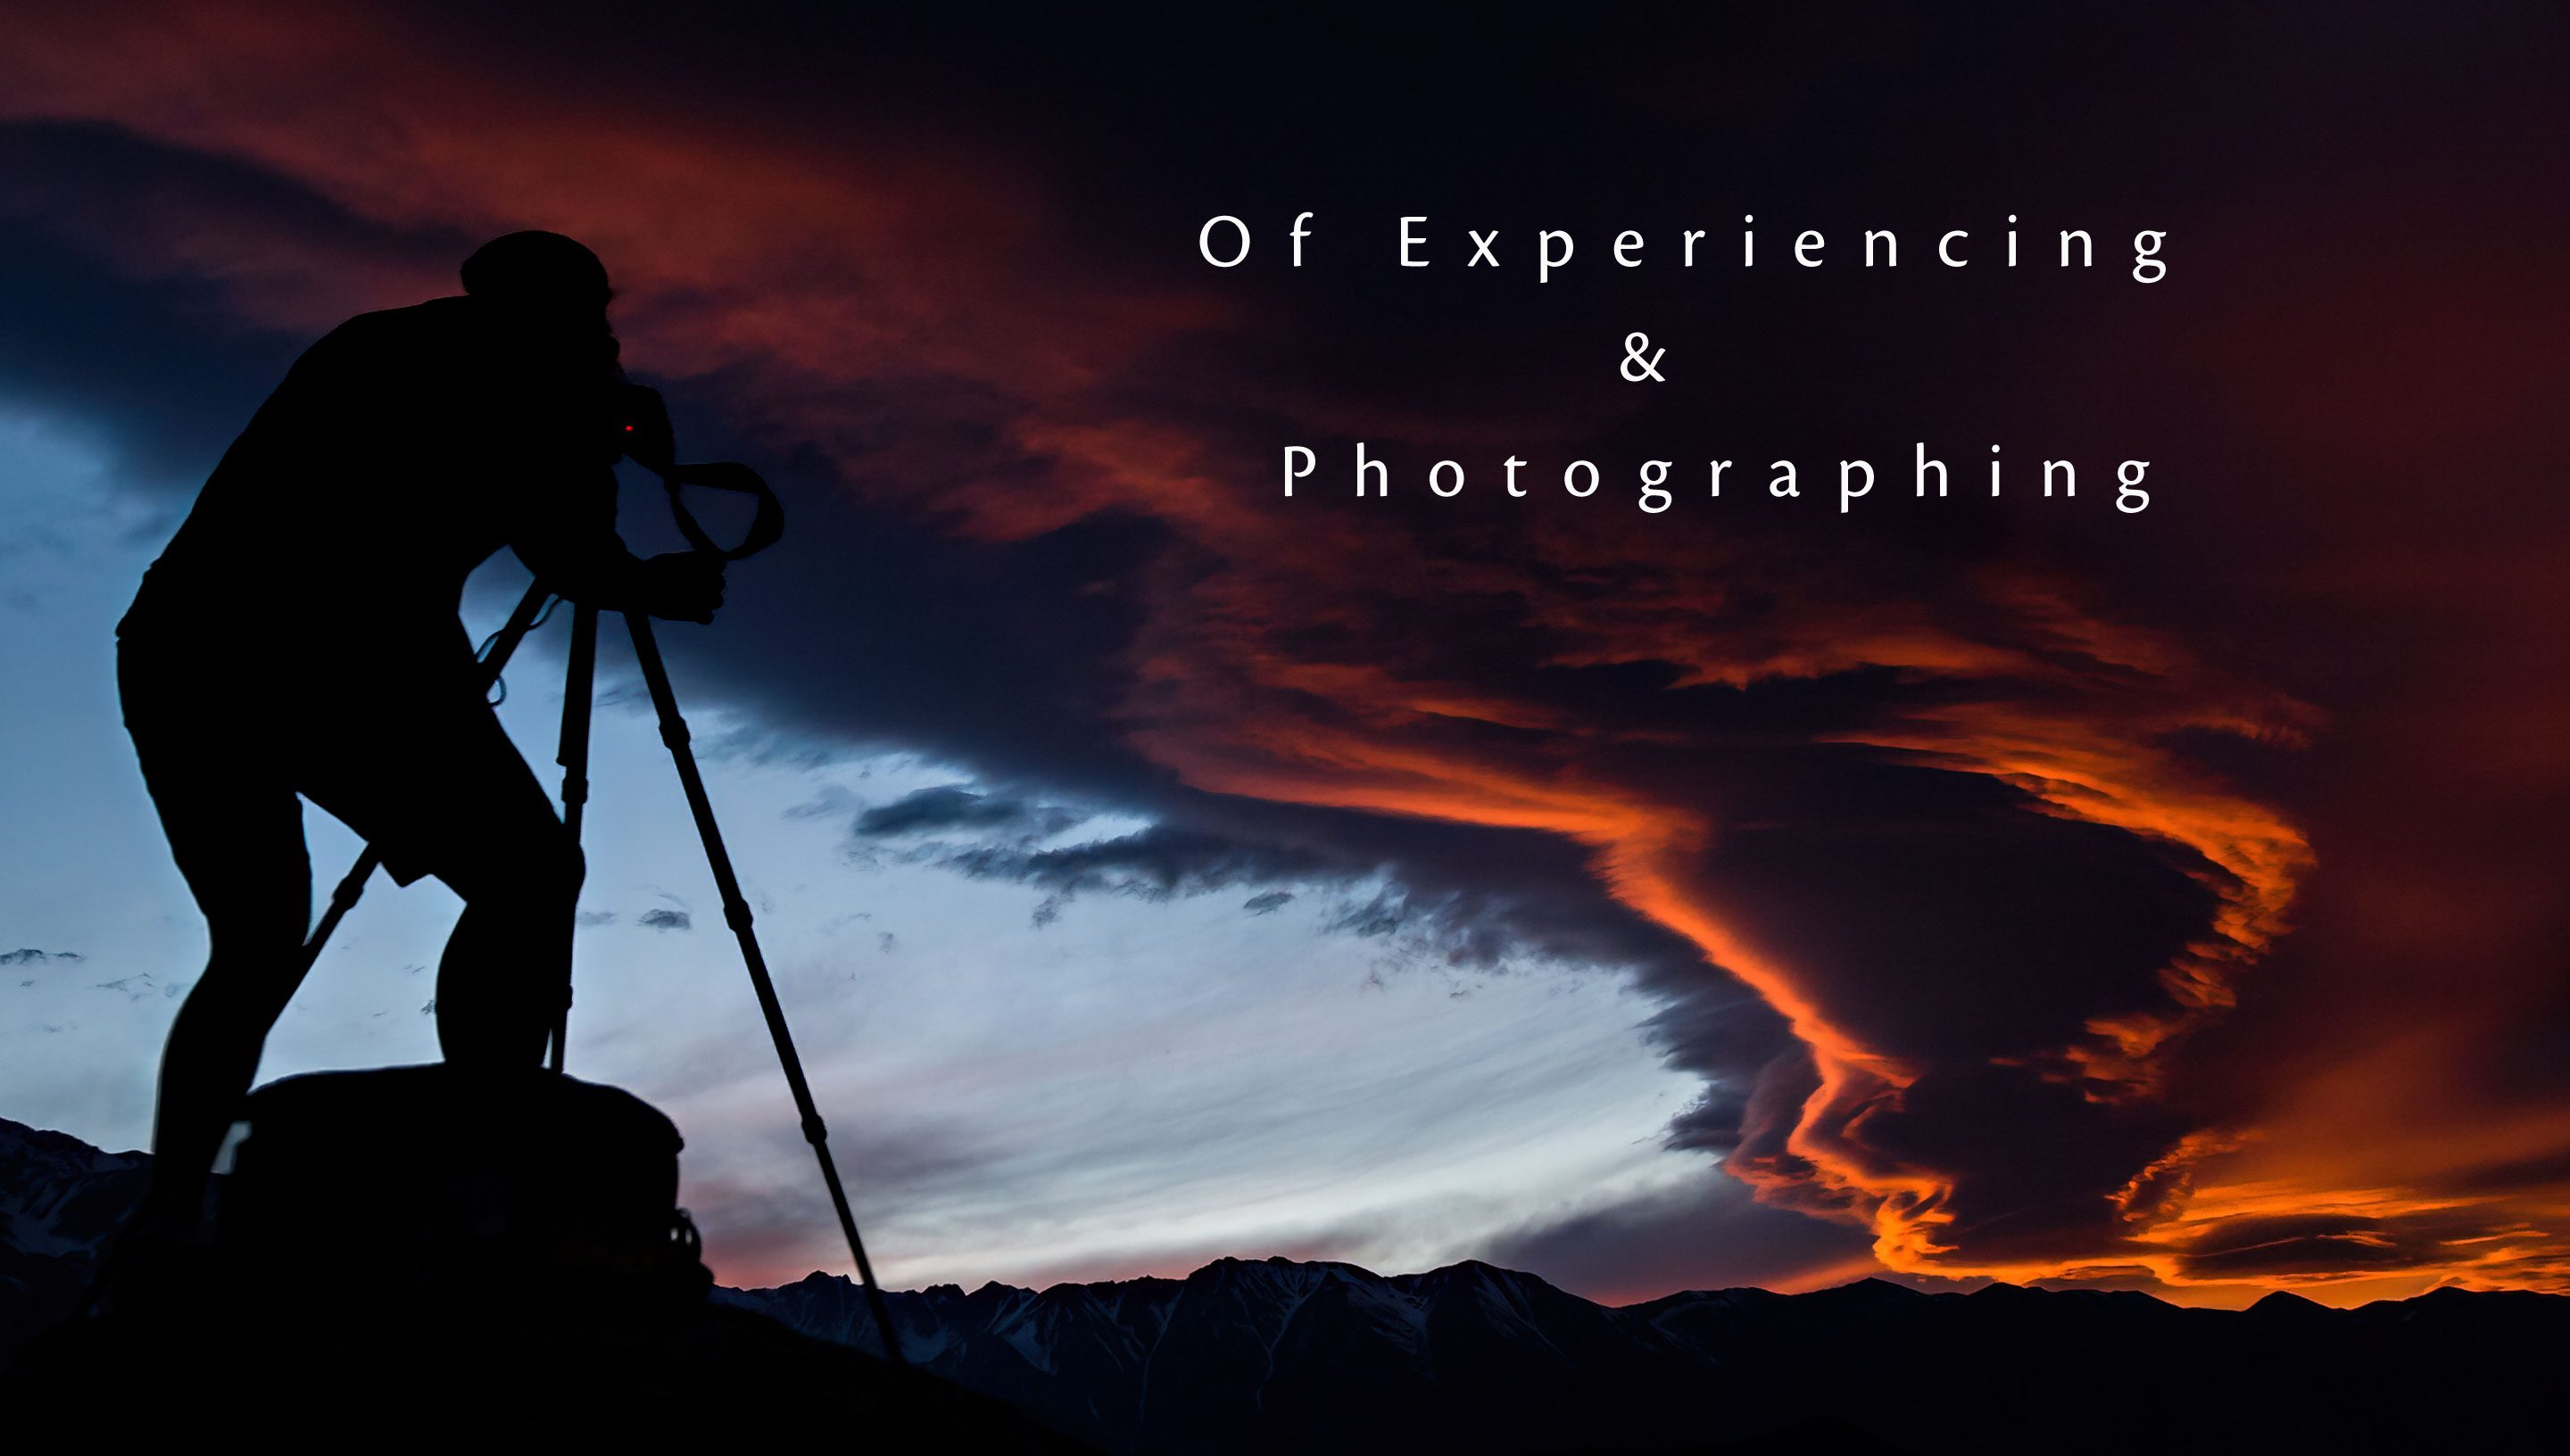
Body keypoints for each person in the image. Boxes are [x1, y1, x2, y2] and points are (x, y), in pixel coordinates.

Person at [113, 231, 723, 1243]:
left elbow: (545, 524)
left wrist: (595, 430)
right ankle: (485, 1157)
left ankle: (173, 1205)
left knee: (256, 939)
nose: (609, 337)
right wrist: (620, 482)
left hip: (190, 653)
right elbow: (574, 552)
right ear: (558, 317)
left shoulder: (383, 345)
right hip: (341, 667)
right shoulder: (516, 386)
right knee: (527, 875)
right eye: (596, 319)